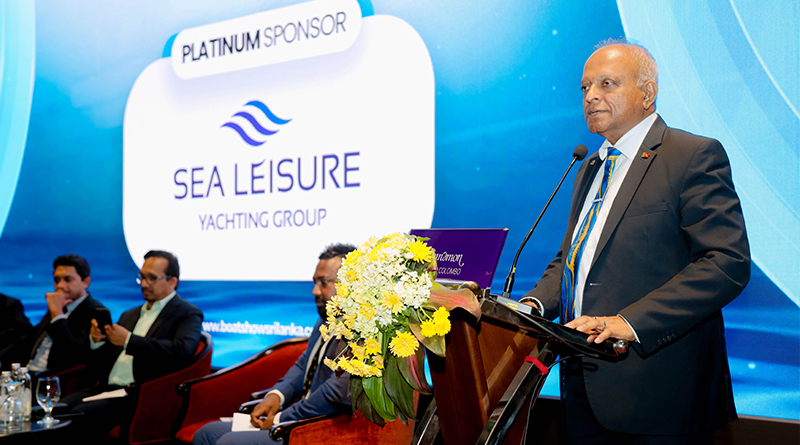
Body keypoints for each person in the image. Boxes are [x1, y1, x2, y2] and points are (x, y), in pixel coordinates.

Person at [521, 39, 750, 443]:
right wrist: (530, 308)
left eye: (606, 84)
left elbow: (725, 263)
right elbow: (573, 260)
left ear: (647, 93)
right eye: (585, 87)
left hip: (659, 394)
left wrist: (629, 323)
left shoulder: (691, 155)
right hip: (582, 383)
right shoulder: (590, 166)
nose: (590, 96)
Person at [194, 243, 356, 445]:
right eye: (314, 282)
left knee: (228, 442)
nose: (315, 291)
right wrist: (276, 396)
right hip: (296, 418)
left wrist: (281, 418)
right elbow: (304, 364)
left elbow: (334, 393)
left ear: (351, 284)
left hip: (321, 427)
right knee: (206, 434)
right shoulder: (324, 320)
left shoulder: (362, 331)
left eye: (324, 283)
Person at [62, 249, 203, 438]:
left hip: (140, 394)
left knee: (75, 417)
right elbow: (101, 362)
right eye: (142, 277)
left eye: (152, 278)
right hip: (106, 388)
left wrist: (129, 340)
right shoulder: (129, 315)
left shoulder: (187, 313)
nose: (144, 284)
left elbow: (182, 350)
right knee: (55, 409)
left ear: (172, 281)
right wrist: (97, 341)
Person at [0, 254, 106, 373]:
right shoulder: (59, 306)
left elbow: (74, 353)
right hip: (30, 372)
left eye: (68, 279)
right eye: (57, 280)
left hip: (58, 378)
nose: (60, 286)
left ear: (85, 282)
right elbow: (28, 341)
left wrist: (57, 314)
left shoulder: (94, 311)